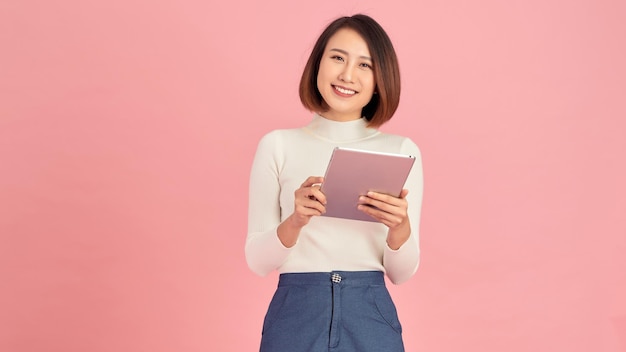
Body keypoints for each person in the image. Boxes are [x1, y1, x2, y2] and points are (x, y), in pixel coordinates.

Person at [245, 13, 423, 352]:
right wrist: (295, 221)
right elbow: (257, 261)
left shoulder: (400, 151)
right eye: (338, 57)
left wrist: (400, 227)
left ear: (380, 79)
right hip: (295, 311)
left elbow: (401, 273)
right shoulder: (278, 145)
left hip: (370, 312)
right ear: (318, 64)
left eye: (364, 65)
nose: (346, 75)